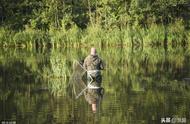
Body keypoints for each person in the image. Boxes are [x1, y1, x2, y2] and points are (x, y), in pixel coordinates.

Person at [83, 47, 104, 113]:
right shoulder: (99, 59)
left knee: (89, 81)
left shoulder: (86, 58)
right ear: (96, 52)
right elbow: (102, 67)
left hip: (90, 76)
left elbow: (84, 67)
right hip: (97, 76)